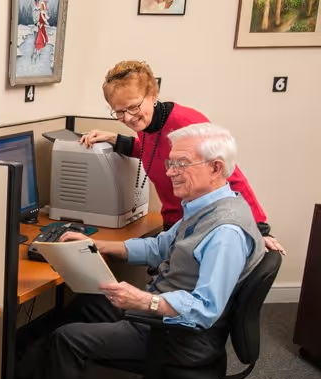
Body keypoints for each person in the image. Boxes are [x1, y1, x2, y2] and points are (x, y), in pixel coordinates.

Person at [35, 123, 266, 379]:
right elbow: (160, 247)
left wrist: (144, 300)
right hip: (164, 314)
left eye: (181, 164)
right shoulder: (209, 204)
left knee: (66, 338)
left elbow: (204, 309)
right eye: (170, 163)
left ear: (216, 168)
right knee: (86, 302)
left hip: (180, 337)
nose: (170, 173)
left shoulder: (225, 232)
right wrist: (97, 244)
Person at [79, 60, 285, 254]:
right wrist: (115, 139)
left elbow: (229, 173)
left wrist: (260, 228)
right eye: (119, 112)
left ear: (152, 94)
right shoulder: (147, 125)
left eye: (133, 107)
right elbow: (152, 151)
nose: (129, 117)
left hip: (202, 227)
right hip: (175, 224)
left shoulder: (187, 123)